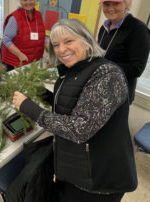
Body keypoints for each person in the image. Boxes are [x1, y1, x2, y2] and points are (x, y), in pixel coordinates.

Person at [12, 19, 137, 202]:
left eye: (68, 41)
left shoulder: (107, 75)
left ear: (86, 41)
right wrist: (42, 94)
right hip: (75, 168)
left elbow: (79, 128)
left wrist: (30, 108)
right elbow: (72, 107)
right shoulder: (74, 70)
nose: (62, 49)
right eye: (56, 45)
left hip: (99, 180)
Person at [98, 0, 150, 103]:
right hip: (100, 88)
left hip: (119, 93)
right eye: (106, 4)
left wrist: (101, 68)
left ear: (128, 4)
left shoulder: (138, 29)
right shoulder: (104, 27)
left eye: (116, 3)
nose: (110, 8)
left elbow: (136, 68)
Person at [1, 0, 46, 71]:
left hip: (34, 59)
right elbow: (6, 39)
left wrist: (51, 48)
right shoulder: (15, 18)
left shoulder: (39, 15)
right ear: (20, 2)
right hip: (17, 60)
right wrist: (20, 55)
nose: (28, 2)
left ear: (35, 0)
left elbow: (42, 34)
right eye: (25, 0)